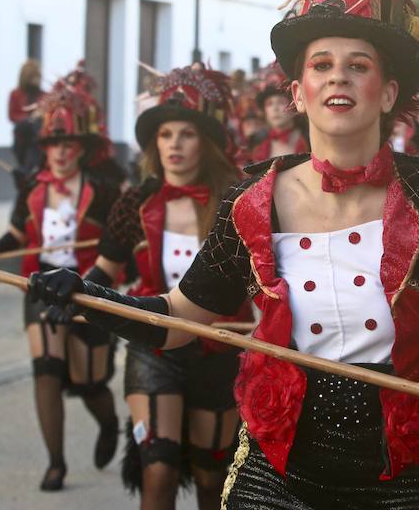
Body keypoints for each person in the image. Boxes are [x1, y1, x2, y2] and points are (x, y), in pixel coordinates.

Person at [26, 0, 419, 509]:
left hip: (397, 474)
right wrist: (86, 297)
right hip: (275, 471)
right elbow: (178, 317)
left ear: (387, 92)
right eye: (321, 63)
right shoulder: (251, 199)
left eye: (359, 64)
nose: (338, 75)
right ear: (299, 92)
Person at [88, 65, 250, 508]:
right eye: (165, 134)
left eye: (186, 133)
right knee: (157, 470)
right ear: (153, 143)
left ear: (207, 141)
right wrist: (75, 293)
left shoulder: (237, 203)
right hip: (153, 345)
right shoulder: (134, 202)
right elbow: (105, 269)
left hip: (220, 348)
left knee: (211, 480)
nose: (174, 144)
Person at [0, 79, 122, 491]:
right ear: (45, 148)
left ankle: (109, 425)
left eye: (70, 142)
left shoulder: (103, 191)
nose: (63, 150)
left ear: (83, 147)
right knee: (47, 370)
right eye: (55, 143)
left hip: (90, 289)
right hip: (41, 287)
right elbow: (17, 235)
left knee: (90, 383)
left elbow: (117, 245)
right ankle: (56, 463)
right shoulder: (32, 189)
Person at [248, 85, 309, 162]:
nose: (275, 108)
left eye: (281, 102)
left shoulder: (309, 138)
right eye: (269, 104)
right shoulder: (258, 144)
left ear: (294, 106)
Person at [9, 59, 45, 171]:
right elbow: (12, 115)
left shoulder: (43, 96)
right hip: (22, 139)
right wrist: (30, 119)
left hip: (37, 140)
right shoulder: (15, 94)